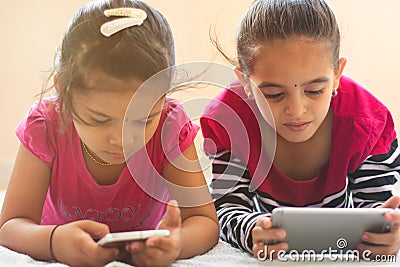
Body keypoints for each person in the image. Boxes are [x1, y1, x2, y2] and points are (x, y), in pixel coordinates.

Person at [0, 0, 219, 266]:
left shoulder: (169, 126)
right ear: (64, 94)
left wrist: (177, 244)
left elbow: (204, 221)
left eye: (142, 120)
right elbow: (10, 226)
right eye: (100, 120)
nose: (121, 139)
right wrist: (54, 242)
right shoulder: (45, 126)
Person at [200, 0, 400, 259]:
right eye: (273, 94)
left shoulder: (367, 124)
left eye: (314, 91)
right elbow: (227, 208)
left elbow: (375, 208)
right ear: (246, 83)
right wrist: (251, 231)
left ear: (337, 73)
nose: (296, 110)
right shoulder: (229, 122)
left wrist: (386, 233)